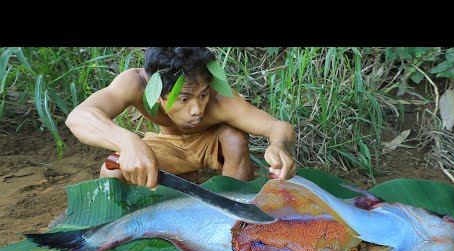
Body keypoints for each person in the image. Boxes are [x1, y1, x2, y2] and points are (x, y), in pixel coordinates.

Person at [65, 47, 297, 189]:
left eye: (203, 94)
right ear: (155, 94)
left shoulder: (220, 99)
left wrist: (278, 146)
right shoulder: (136, 83)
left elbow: (278, 127)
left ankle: (235, 208)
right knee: (112, 171)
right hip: (168, 146)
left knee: (234, 136)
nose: (197, 108)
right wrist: (128, 142)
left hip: (211, 144)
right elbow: (79, 117)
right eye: (184, 99)